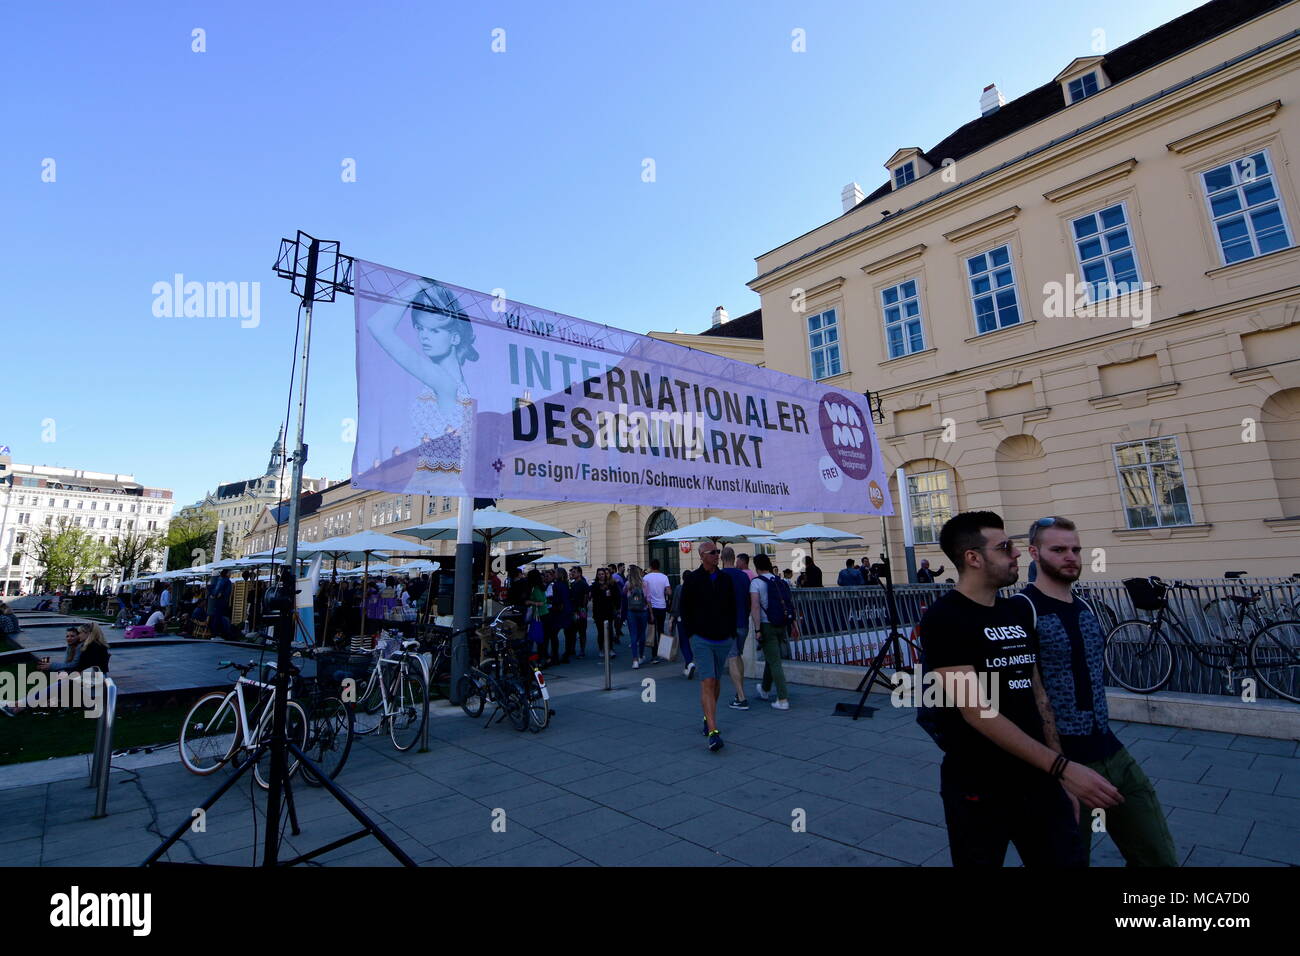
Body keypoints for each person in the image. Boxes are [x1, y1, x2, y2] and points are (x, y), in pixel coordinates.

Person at [918, 511, 1120, 867]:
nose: (1016, 554)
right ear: (974, 558)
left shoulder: (1014, 612)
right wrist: (1063, 768)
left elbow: (1038, 695)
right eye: (1005, 547)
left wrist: (1058, 777)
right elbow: (979, 712)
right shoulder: (944, 618)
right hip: (978, 787)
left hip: (1038, 779)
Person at [1023, 516, 1177, 867]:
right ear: (1034, 553)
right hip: (1065, 760)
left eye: (1075, 549)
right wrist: (1057, 771)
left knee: (1157, 855)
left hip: (1112, 750)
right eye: (1058, 549)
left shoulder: (1086, 606)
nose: (1071, 557)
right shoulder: (1023, 609)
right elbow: (1031, 695)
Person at [366, 280, 479, 491]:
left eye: (434, 331)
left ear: (454, 337)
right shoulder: (452, 383)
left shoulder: (444, 381)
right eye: (420, 328)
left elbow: (378, 326)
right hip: (436, 482)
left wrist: (416, 286)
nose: (424, 336)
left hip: (437, 482)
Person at [680, 542, 737, 752]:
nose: (717, 555)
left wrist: (731, 632)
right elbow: (684, 609)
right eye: (713, 553)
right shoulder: (692, 580)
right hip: (702, 638)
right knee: (708, 680)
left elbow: (733, 606)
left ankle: (707, 716)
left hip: (723, 638)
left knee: (717, 681)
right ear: (702, 555)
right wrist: (692, 633)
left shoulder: (725, 579)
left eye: (718, 552)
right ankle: (713, 732)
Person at [3, 623, 110, 715]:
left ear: (88, 634)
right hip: (91, 680)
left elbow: (92, 668)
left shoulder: (92, 648)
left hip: (93, 683)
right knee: (58, 685)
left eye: (80, 633)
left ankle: (19, 705)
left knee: (58, 686)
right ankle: (19, 706)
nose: (79, 635)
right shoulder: (96, 646)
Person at [750, 553, 792, 710]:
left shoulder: (756, 583)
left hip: (767, 624)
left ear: (756, 566)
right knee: (771, 656)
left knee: (775, 661)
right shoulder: (778, 580)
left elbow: (755, 606)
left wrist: (757, 628)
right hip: (781, 623)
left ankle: (783, 699)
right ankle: (765, 689)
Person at [720, 546, 752, 710]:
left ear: (721, 559)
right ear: (734, 558)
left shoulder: (719, 576)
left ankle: (741, 697)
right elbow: (749, 599)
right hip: (743, 623)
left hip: (728, 624)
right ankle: (740, 692)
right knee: (738, 656)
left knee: (732, 658)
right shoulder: (744, 576)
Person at [667, 572, 694, 677]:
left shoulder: (679, 588)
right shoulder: (695, 589)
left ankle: (689, 662)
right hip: (693, 619)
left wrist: (671, 619)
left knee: (684, 642)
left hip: (681, 618)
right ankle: (689, 663)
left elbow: (675, 604)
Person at [643, 559, 671, 659]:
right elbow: (669, 592)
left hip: (651, 607)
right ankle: (663, 652)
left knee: (652, 629)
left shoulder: (646, 577)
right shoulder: (664, 577)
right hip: (662, 606)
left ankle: (654, 654)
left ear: (651, 566)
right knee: (661, 629)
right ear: (659, 566)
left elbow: (644, 592)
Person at [624, 565, 650, 668]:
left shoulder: (628, 584)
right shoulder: (645, 583)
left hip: (631, 612)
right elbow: (648, 599)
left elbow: (623, 593)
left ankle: (635, 660)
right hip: (643, 611)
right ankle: (641, 655)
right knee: (642, 633)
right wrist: (651, 613)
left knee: (633, 635)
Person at [591, 567, 618, 659]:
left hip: (608, 611)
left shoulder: (610, 584)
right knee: (600, 632)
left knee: (609, 630)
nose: (601, 576)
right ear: (597, 575)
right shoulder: (595, 585)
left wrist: (617, 608)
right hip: (599, 612)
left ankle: (610, 649)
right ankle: (601, 649)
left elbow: (615, 596)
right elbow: (594, 599)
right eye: (599, 574)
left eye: (602, 574)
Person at [567, 566, 590, 659]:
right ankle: (572, 649)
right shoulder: (572, 584)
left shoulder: (583, 584)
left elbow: (586, 597)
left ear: (580, 573)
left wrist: (582, 609)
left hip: (581, 609)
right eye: (572, 572)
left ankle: (582, 650)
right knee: (573, 630)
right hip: (573, 609)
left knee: (582, 630)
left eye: (574, 572)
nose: (572, 573)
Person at [207, 569, 233, 640]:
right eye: (230, 572)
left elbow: (214, 588)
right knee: (219, 617)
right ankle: (217, 634)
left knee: (217, 617)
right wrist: (218, 594)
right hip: (222, 601)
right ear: (227, 574)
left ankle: (215, 633)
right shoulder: (225, 581)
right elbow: (225, 592)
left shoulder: (220, 580)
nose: (231, 574)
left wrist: (213, 595)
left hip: (219, 601)